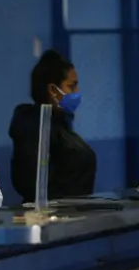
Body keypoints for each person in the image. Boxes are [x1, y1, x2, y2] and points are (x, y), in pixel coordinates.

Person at [9, 50, 96, 203]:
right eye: (71, 86)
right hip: (53, 219)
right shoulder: (35, 126)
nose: (77, 93)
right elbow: (34, 184)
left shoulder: (60, 126)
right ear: (53, 90)